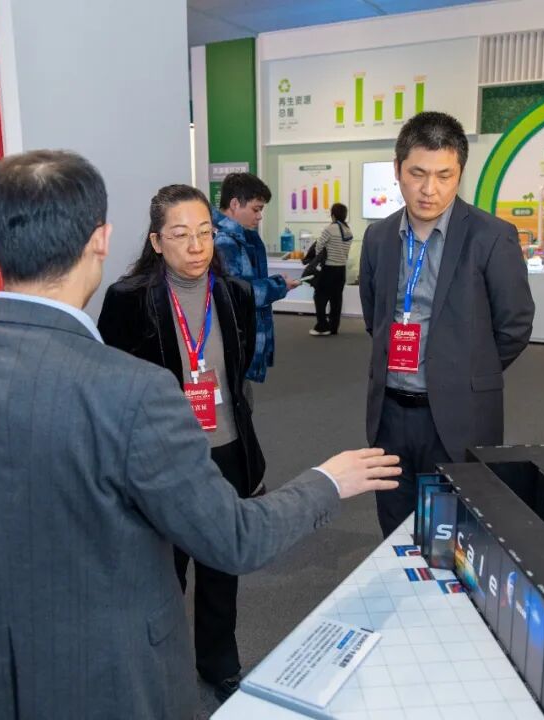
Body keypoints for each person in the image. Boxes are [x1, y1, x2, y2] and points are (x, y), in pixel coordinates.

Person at [0, 150, 400, 719]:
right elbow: (233, 538)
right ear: (101, 239)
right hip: (115, 679)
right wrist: (328, 481)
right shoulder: (134, 390)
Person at [98, 184, 261, 702]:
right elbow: (109, 384)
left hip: (225, 451)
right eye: (181, 235)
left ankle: (219, 661)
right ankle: (159, 670)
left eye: (205, 233)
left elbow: (239, 374)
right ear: (156, 241)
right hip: (159, 459)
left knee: (222, 564)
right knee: (163, 574)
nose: (196, 246)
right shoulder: (127, 300)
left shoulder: (235, 295)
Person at [359, 111, 535, 537]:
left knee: (454, 535)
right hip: (390, 413)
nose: (429, 189)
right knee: (394, 529)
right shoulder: (379, 237)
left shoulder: (491, 236)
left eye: (444, 175)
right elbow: (374, 316)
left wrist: (466, 374)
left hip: (459, 415)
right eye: (417, 173)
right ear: (397, 169)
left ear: (459, 174)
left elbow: (514, 325)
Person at [214, 172, 300, 383]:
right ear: (235, 204)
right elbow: (240, 293)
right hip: (235, 340)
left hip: (243, 338)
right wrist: (278, 285)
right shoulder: (225, 242)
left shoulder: (243, 237)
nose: (260, 216)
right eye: (256, 209)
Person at [310, 202, 353, 336]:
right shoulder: (348, 230)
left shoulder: (330, 229)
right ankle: (334, 327)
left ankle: (322, 326)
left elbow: (318, 246)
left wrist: (319, 258)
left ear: (333, 215)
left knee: (320, 297)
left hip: (329, 269)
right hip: (341, 269)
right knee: (336, 299)